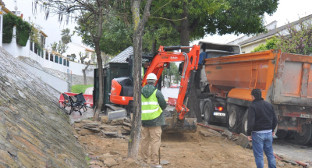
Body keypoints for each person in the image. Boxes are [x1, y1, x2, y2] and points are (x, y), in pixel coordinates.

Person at [141, 73, 167, 168]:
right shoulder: (157, 92)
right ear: (155, 81)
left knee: (144, 141)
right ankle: (154, 163)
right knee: (155, 141)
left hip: (144, 120)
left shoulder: (140, 91)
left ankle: (143, 162)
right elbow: (163, 105)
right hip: (155, 121)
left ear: (147, 81)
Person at [247, 89, 277, 168]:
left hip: (258, 134)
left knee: (259, 155)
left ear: (253, 96)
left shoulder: (252, 106)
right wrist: (273, 130)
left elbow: (251, 122)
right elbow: (275, 119)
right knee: (270, 154)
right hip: (269, 133)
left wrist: (248, 134)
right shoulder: (269, 105)